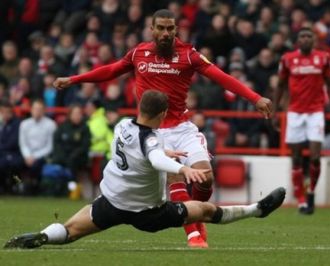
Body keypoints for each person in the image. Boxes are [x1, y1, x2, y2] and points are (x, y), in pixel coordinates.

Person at [52, 9, 273, 248]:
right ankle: (194, 235)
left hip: (182, 127)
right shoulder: (139, 53)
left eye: (170, 28)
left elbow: (220, 76)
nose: (166, 33)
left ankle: (198, 217)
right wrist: (75, 79)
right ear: (152, 30)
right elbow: (111, 70)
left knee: (206, 179)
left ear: (176, 29)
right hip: (154, 132)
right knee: (175, 178)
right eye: (161, 28)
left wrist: (255, 98)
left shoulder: (189, 55)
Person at [4, 90, 285, 250]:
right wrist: (182, 169)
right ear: (163, 114)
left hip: (110, 202)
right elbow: (154, 158)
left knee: (70, 231)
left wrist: (165, 152)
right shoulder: (151, 140)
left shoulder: (123, 125)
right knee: (205, 210)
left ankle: (42, 236)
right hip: (147, 213)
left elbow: (147, 151)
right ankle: (257, 210)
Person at [272, 27, 330, 215]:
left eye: (309, 36)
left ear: (314, 40)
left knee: (315, 156)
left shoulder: (324, 58)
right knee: (295, 158)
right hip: (294, 112)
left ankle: (311, 192)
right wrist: (275, 111)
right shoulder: (287, 59)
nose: (305, 39)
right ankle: (301, 199)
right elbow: (279, 85)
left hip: (316, 112)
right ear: (297, 40)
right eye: (302, 36)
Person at [19, 99, 57, 194]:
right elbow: (23, 143)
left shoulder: (51, 125)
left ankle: (33, 187)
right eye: (35, 109)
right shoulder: (24, 124)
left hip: (43, 156)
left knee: (37, 165)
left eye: (40, 109)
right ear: (31, 110)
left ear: (44, 110)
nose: (37, 111)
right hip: (26, 155)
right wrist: (27, 156)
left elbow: (49, 146)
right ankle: (18, 186)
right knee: (14, 163)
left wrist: (34, 157)